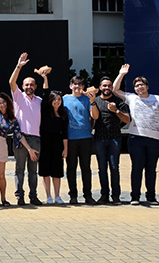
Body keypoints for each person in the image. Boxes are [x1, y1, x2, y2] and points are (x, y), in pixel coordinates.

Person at [0, 59, 33, 207]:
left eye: (3, 102)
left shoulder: (12, 118)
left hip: (1, 144)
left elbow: (19, 135)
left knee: (1, 175)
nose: (1, 104)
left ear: (7, 103)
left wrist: (29, 149)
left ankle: (4, 199)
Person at [113, 64, 159, 205]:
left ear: (147, 86)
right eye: (136, 86)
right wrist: (121, 74)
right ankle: (135, 197)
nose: (139, 88)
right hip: (136, 138)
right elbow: (115, 90)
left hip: (154, 139)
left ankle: (151, 196)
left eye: (141, 85)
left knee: (151, 169)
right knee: (136, 168)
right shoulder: (131, 98)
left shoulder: (158, 99)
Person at [8, 52, 43, 206]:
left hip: (35, 140)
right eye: (26, 84)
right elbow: (11, 81)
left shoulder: (40, 101)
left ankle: (33, 196)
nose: (29, 86)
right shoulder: (18, 97)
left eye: (31, 84)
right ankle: (19, 196)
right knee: (19, 170)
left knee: (33, 171)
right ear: (22, 86)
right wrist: (18, 66)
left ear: (36, 86)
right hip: (20, 139)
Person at [61, 75, 98, 205]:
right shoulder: (64, 99)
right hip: (70, 139)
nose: (77, 86)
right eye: (75, 84)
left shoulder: (87, 99)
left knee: (86, 168)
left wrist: (93, 101)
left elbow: (95, 116)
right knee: (71, 167)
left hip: (86, 138)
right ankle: (73, 196)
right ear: (70, 86)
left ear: (83, 87)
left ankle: (88, 195)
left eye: (80, 84)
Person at [93, 76, 130, 205]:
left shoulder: (118, 101)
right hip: (99, 139)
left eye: (109, 85)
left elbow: (127, 120)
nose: (107, 88)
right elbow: (92, 119)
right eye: (104, 86)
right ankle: (104, 195)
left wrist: (116, 111)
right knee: (102, 168)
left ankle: (116, 196)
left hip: (115, 138)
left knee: (114, 168)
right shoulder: (96, 101)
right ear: (100, 88)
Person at [37, 90, 67, 204]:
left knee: (57, 171)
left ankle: (57, 196)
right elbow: (44, 94)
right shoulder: (45, 111)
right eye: (54, 99)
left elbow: (65, 133)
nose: (57, 101)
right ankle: (48, 196)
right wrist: (45, 78)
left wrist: (66, 149)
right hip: (44, 143)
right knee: (45, 171)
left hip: (57, 144)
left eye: (59, 99)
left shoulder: (63, 114)